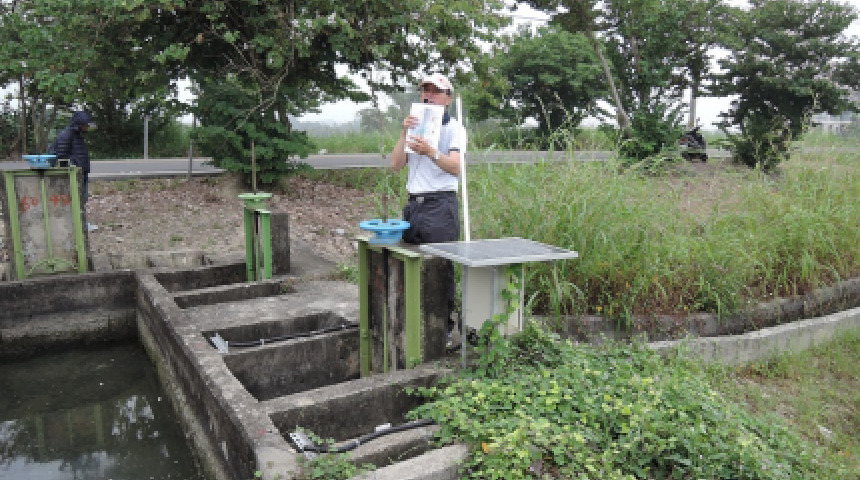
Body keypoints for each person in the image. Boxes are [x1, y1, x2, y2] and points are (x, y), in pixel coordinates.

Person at [390, 74, 466, 345]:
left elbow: (456, 167)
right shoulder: (415, 125)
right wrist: (404, 133)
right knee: (410, 266)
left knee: (440, 269)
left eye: (436, 91)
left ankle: (441, 331)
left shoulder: (454, 128)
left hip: (440, 205)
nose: (429, 95)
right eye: (426, 90)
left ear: (448, 99)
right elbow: (396, 165)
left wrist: (431, 152)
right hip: (414, 205)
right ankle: (414, 326)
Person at [52, 110, 97, 231]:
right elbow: (61, 155)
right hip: (74, 174)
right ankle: (78, 224)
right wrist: (72, 167)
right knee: (76, 199)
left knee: (82, 198)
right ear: (79, 124)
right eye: (85, 125)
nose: (87, 127)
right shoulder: (67, 135)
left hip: (81, 172)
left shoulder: (77, 135)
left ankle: (80, 223)